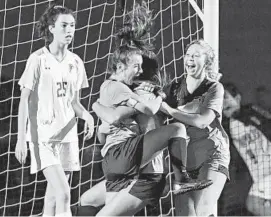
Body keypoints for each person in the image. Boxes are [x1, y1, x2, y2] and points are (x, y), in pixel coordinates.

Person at [89, 4, 212, 216]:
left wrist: (98, 109)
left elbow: (111, 122)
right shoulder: (137, 94)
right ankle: (178, 182)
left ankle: (178, 183)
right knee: (87, 201)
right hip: (131, 166)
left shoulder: (137, 95)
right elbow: (110, 124)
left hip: (138, 169)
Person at [15, 5, 94, 217]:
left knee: (52, 199)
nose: (69, 30)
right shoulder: (37, 60)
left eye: (72, 26)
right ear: (51, 28)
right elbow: (24, 101)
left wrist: (87, 116)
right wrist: (21, 139)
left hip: (67, 136)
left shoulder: (76, 62)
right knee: (64, 193)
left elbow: (75, 103)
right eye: (64, 25)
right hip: (43, 137)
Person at [140, 39, 230, 216]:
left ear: (207, 62)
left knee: (202, 210)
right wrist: (145, 92)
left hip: (212, 156)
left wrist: (170, 111)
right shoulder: (173, 88)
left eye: (196, 55)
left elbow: (202, 121)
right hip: (185, 164)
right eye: (188, 55)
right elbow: (154, 110)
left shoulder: (214, 88)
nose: (190, 59)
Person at [75, 55, 168, 216]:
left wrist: (96, 106)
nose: (136, 71)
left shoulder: (142, 97)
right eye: (135, 66)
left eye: (138, 67)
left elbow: (115, 117)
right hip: (137, 168)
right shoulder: (141, 95)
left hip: (145, 175)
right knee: (87, 200)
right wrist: (102, 128)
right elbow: (104, 135)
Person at [223, 82, 271, 216]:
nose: (222, 103)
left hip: (269, 170)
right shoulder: (227, 127)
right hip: (259, 177)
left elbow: (267, 124)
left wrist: (248, 118)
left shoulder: (251, 111)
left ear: (237, 98)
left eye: (225, 97)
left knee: (253, 204)